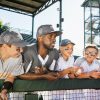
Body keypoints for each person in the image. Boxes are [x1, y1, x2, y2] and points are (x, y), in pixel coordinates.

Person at [0, 30, 28, 100]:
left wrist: (4, 91)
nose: (21, 51)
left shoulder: (18, 58)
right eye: (18, 48)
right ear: (5, 46)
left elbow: (11, 77)